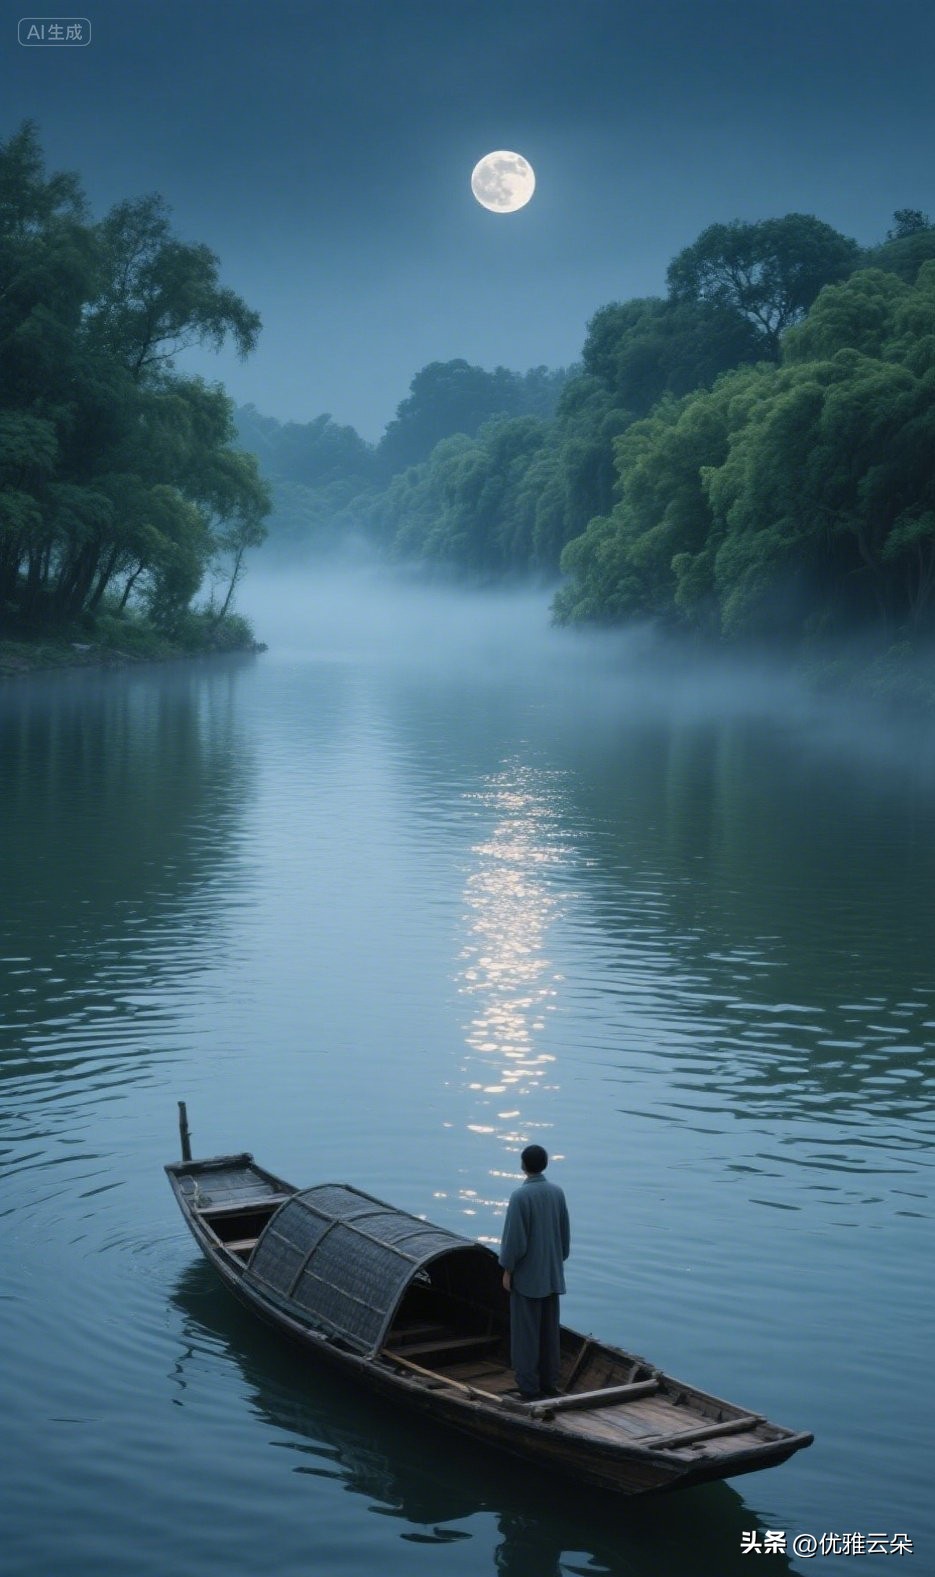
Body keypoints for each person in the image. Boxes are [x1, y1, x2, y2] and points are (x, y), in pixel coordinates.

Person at [498, 1143, 570, 1400]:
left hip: (527, 1278)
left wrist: (508, 1269)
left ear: (523, 1165)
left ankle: (528, 1388)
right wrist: (554, 1262)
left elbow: (515, 1242)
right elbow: (564, 1238)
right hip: (552, 1274)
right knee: (550, 1333)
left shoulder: (520, 1197)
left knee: (525, 1335)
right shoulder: (557, 1193)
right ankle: (550, 1382)